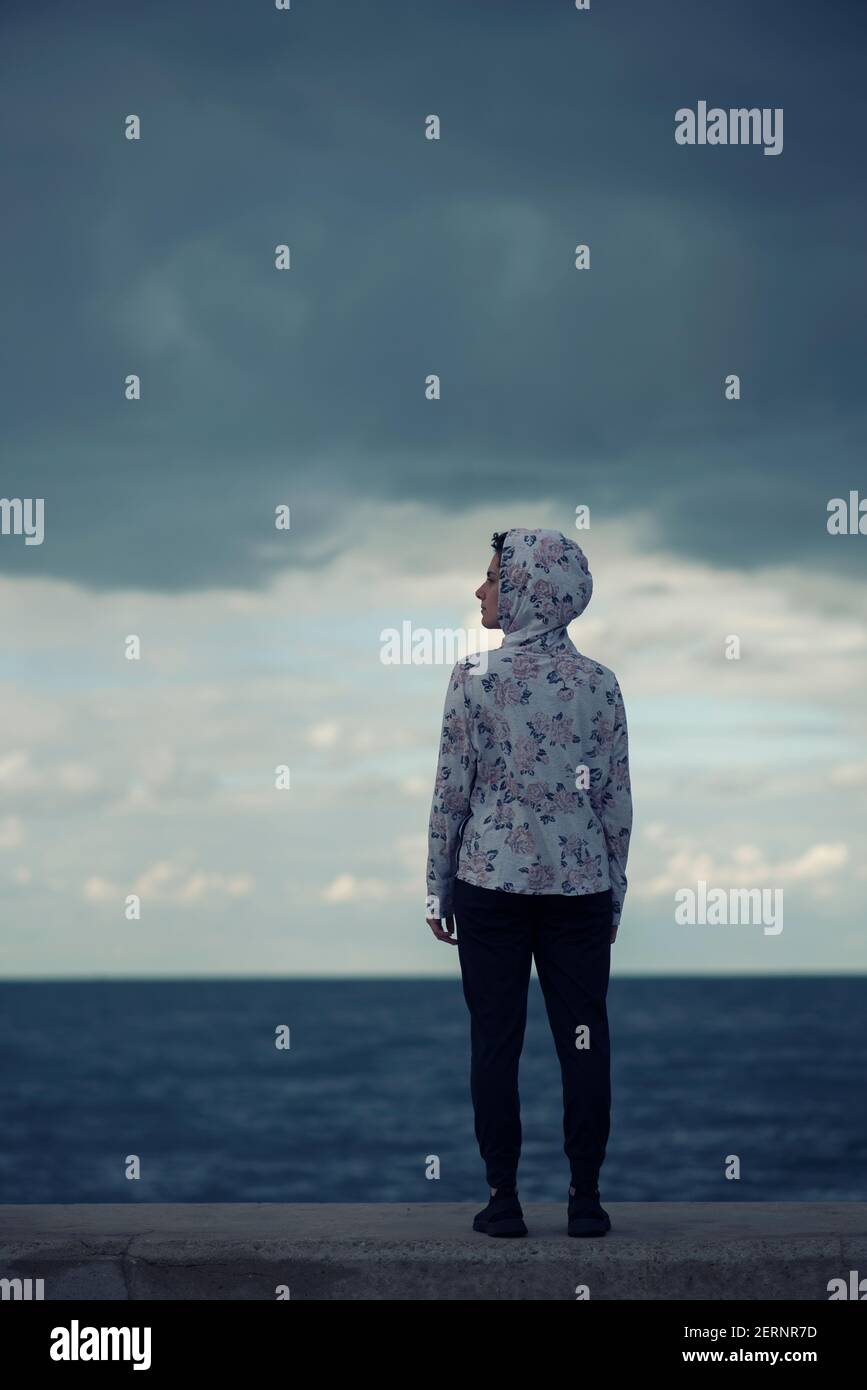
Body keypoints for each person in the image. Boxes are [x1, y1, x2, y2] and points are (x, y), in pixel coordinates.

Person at [425, 527, 632, 1237]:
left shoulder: (471, 677)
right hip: (580, 887)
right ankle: (585, 1200)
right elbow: (613, 800)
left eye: (491, 576)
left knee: (494, 1041)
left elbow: (453, 790)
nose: (480, 589)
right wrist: (615, 892)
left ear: (525, 587)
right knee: (584, 1041)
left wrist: (437, 885)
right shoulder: (600, 684)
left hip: (489, 882)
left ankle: (503, 1200)